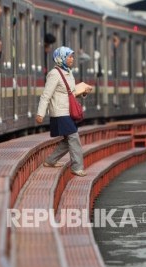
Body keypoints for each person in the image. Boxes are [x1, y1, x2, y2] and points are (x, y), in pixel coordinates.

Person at [35, 46, 92, 177]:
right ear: (61, 58)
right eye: (69, 56)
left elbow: (70, 92)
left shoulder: (68, 72)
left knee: (68, 140)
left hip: (67, 111)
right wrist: (40, 113)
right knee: (74, 137)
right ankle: (77, 167)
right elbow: (46, 95)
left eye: (72, 56)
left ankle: (50, 161)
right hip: (60, 112)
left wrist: (83, 92)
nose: (72, 59)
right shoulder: (54, 74)